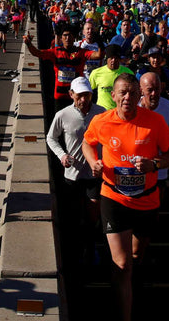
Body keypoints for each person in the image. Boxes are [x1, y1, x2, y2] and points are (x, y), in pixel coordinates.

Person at [82, 74, 169, 321]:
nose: (127, 98)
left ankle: (127, 284)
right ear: (113, 96)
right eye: (122, 92)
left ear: (140, 96)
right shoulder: (102, 121)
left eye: (133, 93)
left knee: (135, 257)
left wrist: (153, 165)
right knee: (122, 264)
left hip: (146, 200)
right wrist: (94, 162)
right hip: (114, 198)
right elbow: (87, 142)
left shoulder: (154, 122)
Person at [47, 76, 106, 270]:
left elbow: (109, 139)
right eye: (79, 95)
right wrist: (62, 155)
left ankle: (90, 248)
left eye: (87, 95)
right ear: (71, 95)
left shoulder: (101, 113)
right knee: (73, 215)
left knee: (92, 214)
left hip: (94, 175)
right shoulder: (63, 115)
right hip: (72, 175)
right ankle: (73, 252)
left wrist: (104, 160)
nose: (83, 99)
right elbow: (51, 138)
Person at [25, 24, 99, 111]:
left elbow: (98, 55)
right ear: (61, 38)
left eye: (70, 35)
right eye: (65, 35)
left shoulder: (81, 52)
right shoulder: (56, 52)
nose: (67, 38)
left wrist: (99, 41)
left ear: (74, 37)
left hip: (76, 96)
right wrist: (29, 44)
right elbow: (38, 53)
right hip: (60, 96)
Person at [89, 44, 134, 110]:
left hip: (121, 112)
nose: (113, 60)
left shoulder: (128, 73)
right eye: (111, 58)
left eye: (116, 58)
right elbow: (89, 93)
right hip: (102, 112)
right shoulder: (96, 73)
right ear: (106, 59)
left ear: (119, 59)